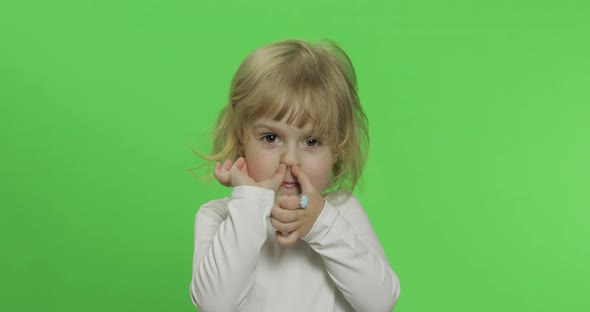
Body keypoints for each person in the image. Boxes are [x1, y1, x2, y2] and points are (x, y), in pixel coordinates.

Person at [189, 39, 400, 311]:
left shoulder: (341, 212)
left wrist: (321, 223)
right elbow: (213, 304)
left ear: (336, 149)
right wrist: (250, 203)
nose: (290, 159)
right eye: (271, 137)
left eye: (311, 142)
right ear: (242, 141)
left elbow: (380, 301)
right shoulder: (218, 217)